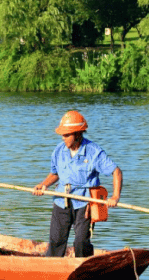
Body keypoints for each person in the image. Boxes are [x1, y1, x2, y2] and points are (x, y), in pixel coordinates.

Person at [32, 110, 122, 258]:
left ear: (78, 134)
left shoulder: (94, 152)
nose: (63, 138)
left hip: (85, 203)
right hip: (61, 200)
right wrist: (43, 185)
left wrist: (115, 196)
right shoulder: (58, 151)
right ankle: (53, 267)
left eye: (67, 135)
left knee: (81, 242)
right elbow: (55, 174)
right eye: (62, 135)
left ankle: (84, 265)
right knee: (56, 241)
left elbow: (116, 171)